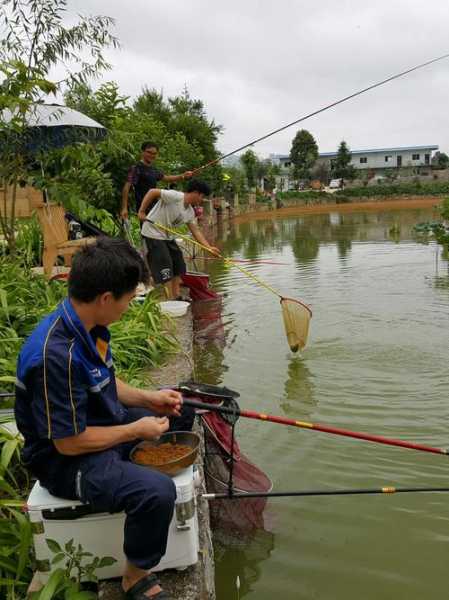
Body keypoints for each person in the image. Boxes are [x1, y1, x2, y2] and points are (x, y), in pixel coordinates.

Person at [14, 238, 191, 600]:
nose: (130, 306)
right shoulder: (54, 357)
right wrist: (135, 430)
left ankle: (135, 452)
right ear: (107, 298)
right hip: (62, 459)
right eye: (129, 298)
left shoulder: (85, 324)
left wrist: (150, 398)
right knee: (157, 493)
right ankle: (135, 576)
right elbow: (68, 442)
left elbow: (104, 381)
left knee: (180, 410)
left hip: (95, 422)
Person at [138, 179, 220, 300]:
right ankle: (169, 299)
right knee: (165, 265)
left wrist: (208, 247)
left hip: (167, 237)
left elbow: (196, 231)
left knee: (179, 263)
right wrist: (142, 211)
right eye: (202, 196)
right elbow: (152, 192)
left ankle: (176, 296)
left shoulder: (190, 212)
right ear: (196, 192)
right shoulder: (176, 196)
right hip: (152, 233)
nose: (202, 200)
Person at [120, 142, 193, 220]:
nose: (151, 155)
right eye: (149, 152)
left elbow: (167, 178)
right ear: (142, 152)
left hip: (155, 207)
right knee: (147, 231)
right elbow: (126, 187)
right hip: (143, 208)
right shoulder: (136, 168)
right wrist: (124, 208)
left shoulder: (153, 170)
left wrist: (183, 176)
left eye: (154, 153)